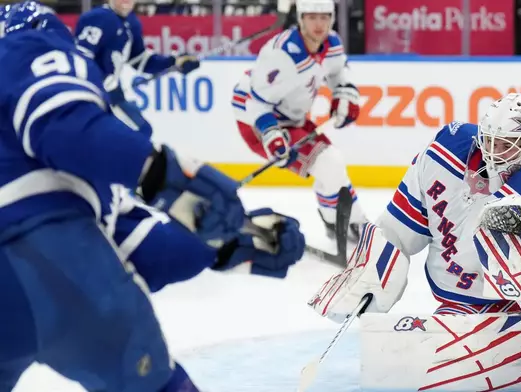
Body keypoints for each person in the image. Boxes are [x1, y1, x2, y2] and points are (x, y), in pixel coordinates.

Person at [0, 2, 301, 391]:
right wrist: (164, 173)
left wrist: (230, 241)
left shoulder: (70, 176)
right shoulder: (29, 41)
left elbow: (139, 246)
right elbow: (65, 125)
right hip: (40, 247)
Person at [309, 92, 521, 318]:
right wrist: (369, 276)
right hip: (456, 304)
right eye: (489, 140)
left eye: (505, 145)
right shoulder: (446, 151)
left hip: (517, 312)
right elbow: (398, 228)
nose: (493, 152)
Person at [231, 0, 368, 242]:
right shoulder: (281, 54)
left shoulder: (331, 42)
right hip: (257, 121)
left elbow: (338, 73)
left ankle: (350, 223)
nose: (319, 24)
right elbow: (255, 103)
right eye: (312, 17)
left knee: (332, 165)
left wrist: (344, 95)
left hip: (293, 118)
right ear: (301, 19)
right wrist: (271, 135)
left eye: (325, 16)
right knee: (328, 162)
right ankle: (343, 226)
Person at [74, 0, 199, 129]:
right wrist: (102, 82)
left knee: (141, 131)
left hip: (113, 96)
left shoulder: (132, 23)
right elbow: (80, 58)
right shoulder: (97, 18)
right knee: (137, 134)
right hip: (92, 97)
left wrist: (174, 61)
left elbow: (140, 61)